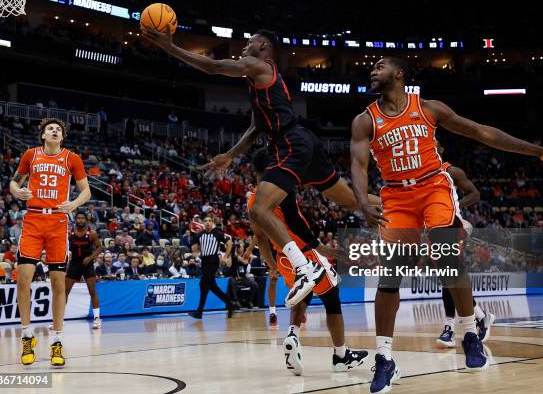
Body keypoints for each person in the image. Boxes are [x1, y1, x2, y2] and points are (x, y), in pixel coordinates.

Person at [349, 57, 543, 393]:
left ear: (398, 74)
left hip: (433, 187)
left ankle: (470, 332)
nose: (372, 69)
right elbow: (357, 164)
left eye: (380, 66)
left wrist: (539, 151)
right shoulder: (364, 120)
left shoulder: (428, 109)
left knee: (447, 257)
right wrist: (360, 201)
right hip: (396, 196)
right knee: (390, 276)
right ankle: (384, 358)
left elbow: (483, 133)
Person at [142, 27, 383, 307]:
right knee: (354, 202)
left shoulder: (257, 65)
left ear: (264, 46)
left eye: (250, 42)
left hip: (291, 142)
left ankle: (304, 269)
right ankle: (402, 202)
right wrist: (230, 154)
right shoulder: (259, 80)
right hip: (302, 141)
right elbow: (257, 126)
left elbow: (212, 66)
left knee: (259, 209)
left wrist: (170, 47)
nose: (245, 46)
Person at [248, 148, 368, 374]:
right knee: (332, 300)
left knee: (305, 293)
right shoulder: (279, 186)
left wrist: (273, 267)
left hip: (283, 258)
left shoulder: (252, 201)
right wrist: (320, 247)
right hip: (305, 252)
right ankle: (341, 356)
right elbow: (294, 221)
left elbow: (260, 239)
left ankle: (293, 334)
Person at [10, 118, 91, 367]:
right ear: (43, 135)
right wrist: (17, 191)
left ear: (62, 137)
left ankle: (56, 341)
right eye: (50, 129)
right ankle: (27, 336)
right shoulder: (30, 155)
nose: (55, 131)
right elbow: (14, 181)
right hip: (33, 220)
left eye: (58, 130)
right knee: (23, 279)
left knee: (58, 282)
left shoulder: (71, 159)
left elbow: (86, 191)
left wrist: (74, 204)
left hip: (57, 221)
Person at [434, 140, 495, 347]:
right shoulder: (419, 175)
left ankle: (449, 328)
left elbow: (475, 194)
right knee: (447, 278)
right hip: (432, 229)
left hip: (453, 225)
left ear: (441, 149)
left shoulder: (450, 170)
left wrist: (454, 204)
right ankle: (480, 316)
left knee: (448, 275)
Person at [188, 216, 236, 319]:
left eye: (210, 221)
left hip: (213, 261)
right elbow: (194, 247)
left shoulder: (217, 233)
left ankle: (199, 311)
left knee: (203, 283)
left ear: (212, 223)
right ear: (203, 223)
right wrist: (195, 251)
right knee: (209, 286)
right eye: (205, 221)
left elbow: (229, 243)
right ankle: (230, 304)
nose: (208, 222)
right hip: (204, 261)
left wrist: (225, 257)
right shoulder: (200, 234)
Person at [66, 211, 103, 329]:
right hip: (74, 264)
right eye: (78, 218)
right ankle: (59, 318)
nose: (80, 220)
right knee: (65, 291)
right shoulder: (70, 233)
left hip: (87, 264)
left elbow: (99, 247)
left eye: (82, 218)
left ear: (86, 220)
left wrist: (91, 257)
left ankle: (97, 318)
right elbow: (63, 245)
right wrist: (67, 254)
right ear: (75, 220)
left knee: (92, 291)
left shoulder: (92, 233)